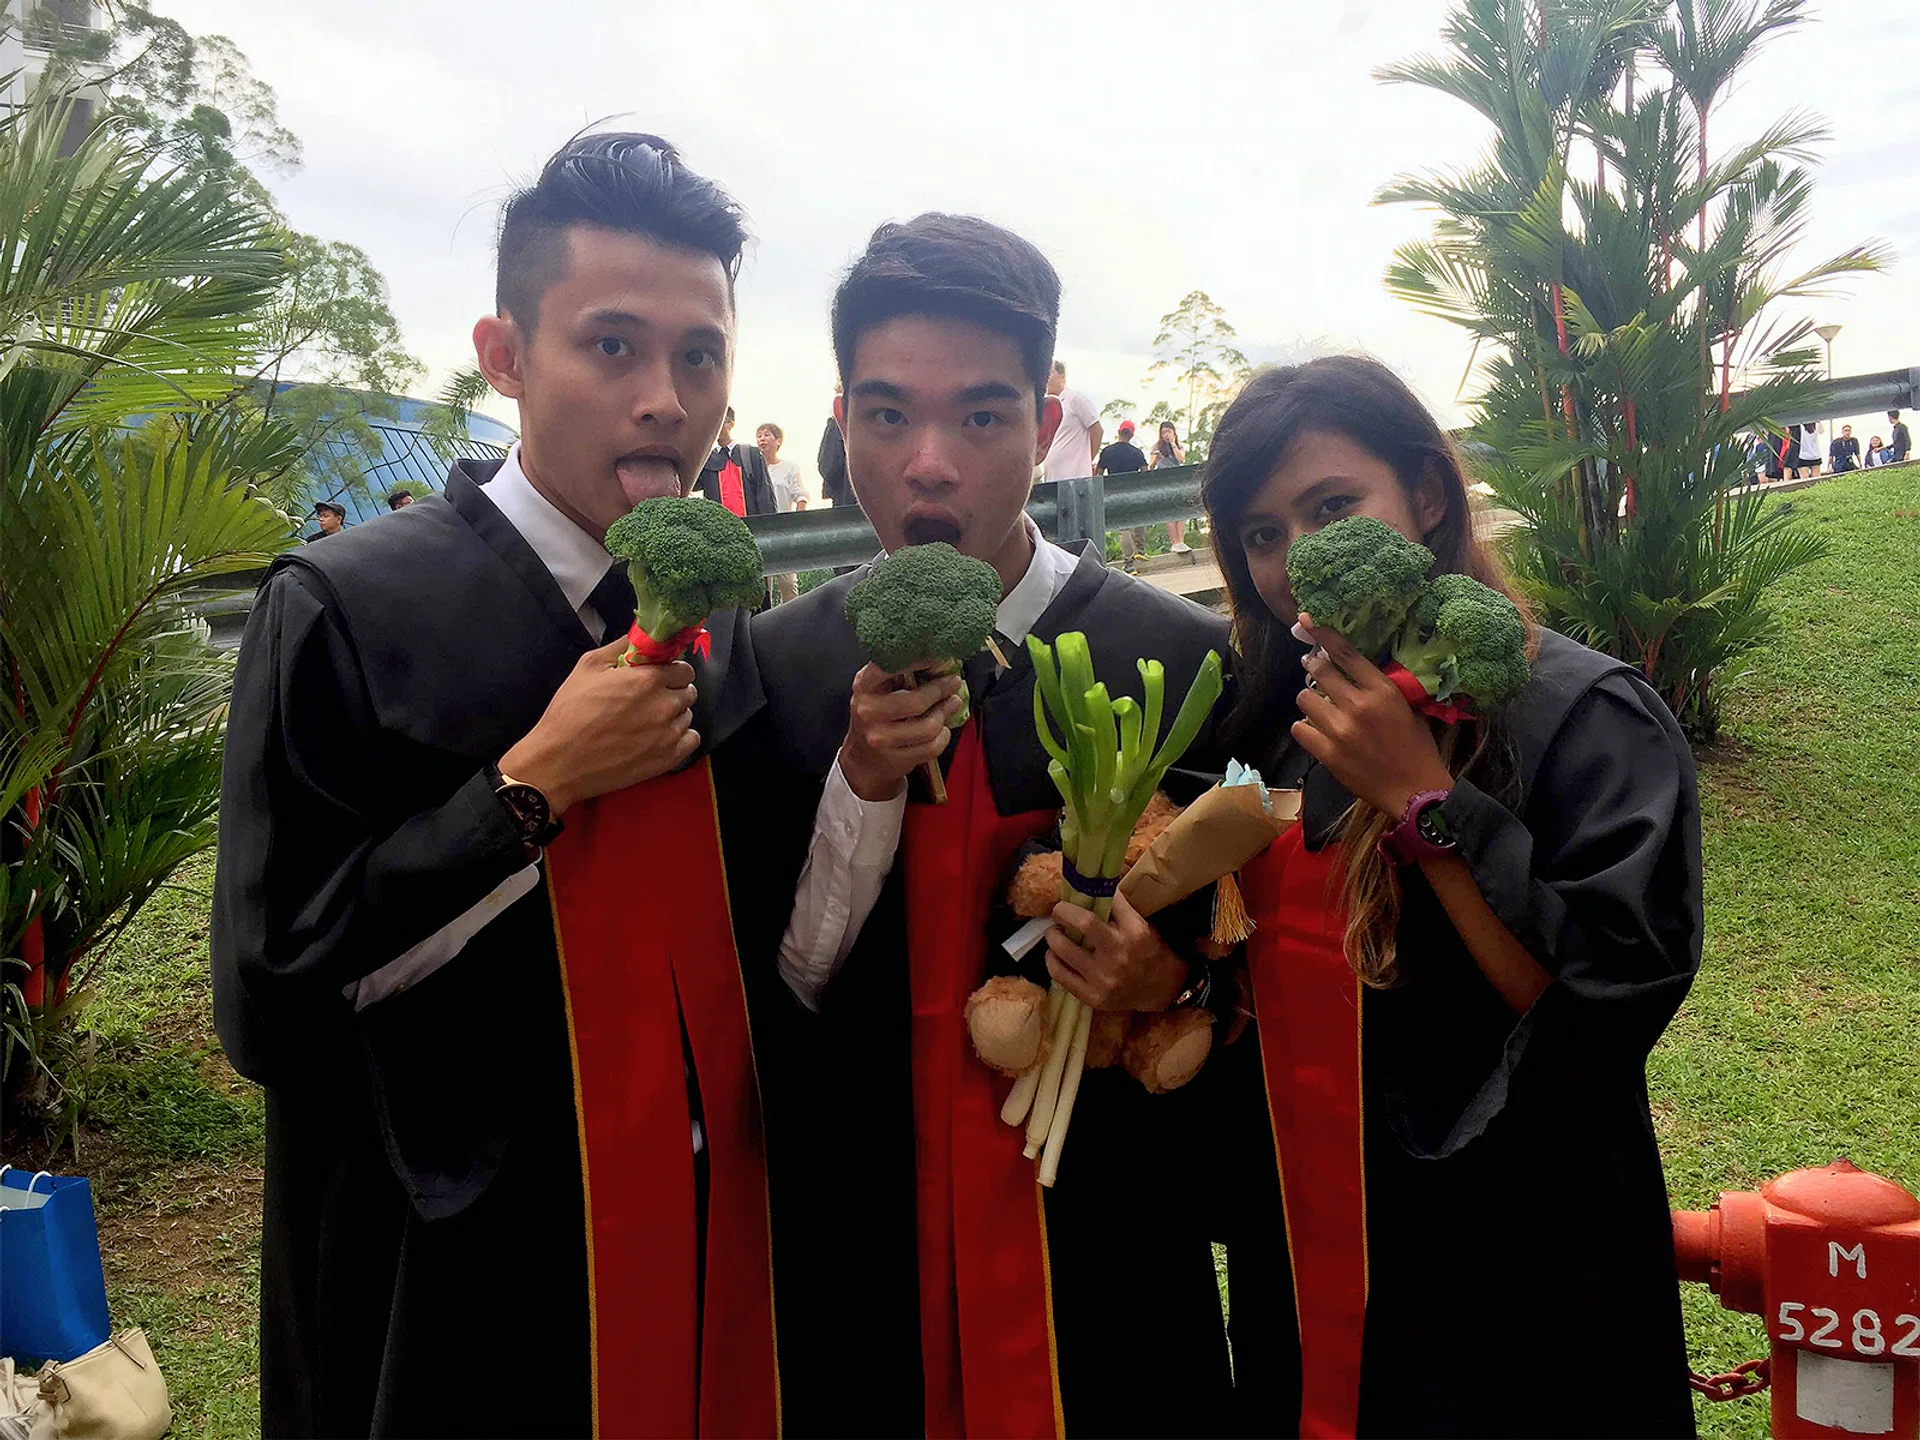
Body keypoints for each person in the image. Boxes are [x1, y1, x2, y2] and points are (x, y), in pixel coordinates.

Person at [211, 132, 777, 1438]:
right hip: (439, 1274)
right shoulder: (351, 609)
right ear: (505, 352)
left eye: (700, 356)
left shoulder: (719, 613)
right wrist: (525, 791)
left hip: (696, 1249)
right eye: (613, 345)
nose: (665, 399)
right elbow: (268, 1006)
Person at [727, 212, 1235, 1437]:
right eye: (888, 416)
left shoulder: (1171, 657)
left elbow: (1241, 967)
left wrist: (1165, 970)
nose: (930, 466)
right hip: (866, 1222)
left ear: (1049, 409)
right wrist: (859, 779)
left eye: (983, 416)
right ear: (841, 411)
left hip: (1101, 1223)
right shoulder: (776, 670)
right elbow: (776, 991)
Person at [1198, 355, 1700, 1437]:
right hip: (1315, 1251)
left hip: (1520, 1267)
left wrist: (1427, 804)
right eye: (1263, 533)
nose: (1297, 560)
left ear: (1425, 497)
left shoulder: (1584, 714)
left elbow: (1593, 1002)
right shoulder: (1264, 724)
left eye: (1334, 506)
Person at [698, 404, 777, 516]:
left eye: (719, 421)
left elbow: (765, 494)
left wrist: (768, 525)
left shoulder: (750, 454)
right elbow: (693, 486)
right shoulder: (707, 459)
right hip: (720, 528)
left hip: (751, 526)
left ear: (731, 424)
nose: (715, 427)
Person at [1096, 417, 1150, 571]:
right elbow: (1146, 473)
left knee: (1124, 528)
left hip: (1115, 493)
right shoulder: (1136, 453)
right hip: (1133, 491)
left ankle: (1129, 564)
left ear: (1119, 432)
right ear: (1131, 435)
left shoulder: (1107, 452)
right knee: (1139, 519)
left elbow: (1098, 474)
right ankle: (1140, 550)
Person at [1041, 358, 1100, 483]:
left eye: (1049, 373)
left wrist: (1086, 461)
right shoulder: (1046, 406)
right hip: (1052, 478)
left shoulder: (1075, 399)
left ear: (1062, 376)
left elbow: (1097, 430)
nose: (1046, 378)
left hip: (1074, 478)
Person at [1153, 419, 1193, 555]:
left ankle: (1181, 541)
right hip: (1163, 482)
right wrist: (1156, 459)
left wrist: (1173, 443)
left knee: (1180, 511)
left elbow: (1181, 459)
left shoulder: (1179, 446)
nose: (1166, 434)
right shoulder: (1156, 447)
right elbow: (1150, 466)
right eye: (1163, 432)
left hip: (1177, 481)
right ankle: (1174, 542)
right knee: (1168, 512)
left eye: (1168, 431)